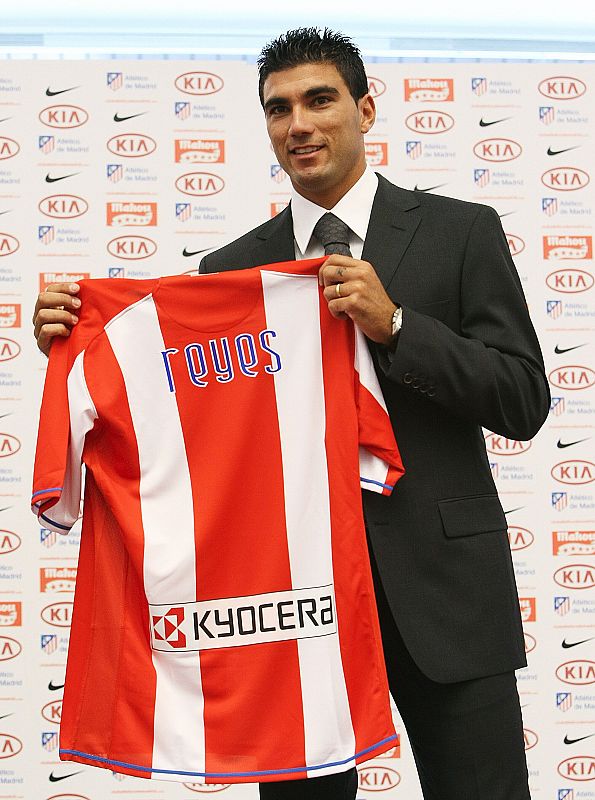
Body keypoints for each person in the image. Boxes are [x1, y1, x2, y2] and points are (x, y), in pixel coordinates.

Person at [33, 27, 549, 800]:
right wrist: (86, 355)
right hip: (290, 612)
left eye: (318, 100)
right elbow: (191, 432)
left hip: (445, 595)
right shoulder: (229, 270)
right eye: (278, 109)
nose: (297, 124)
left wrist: (399, 326)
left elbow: (522, 400)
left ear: (365, 108)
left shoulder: (458, 232)